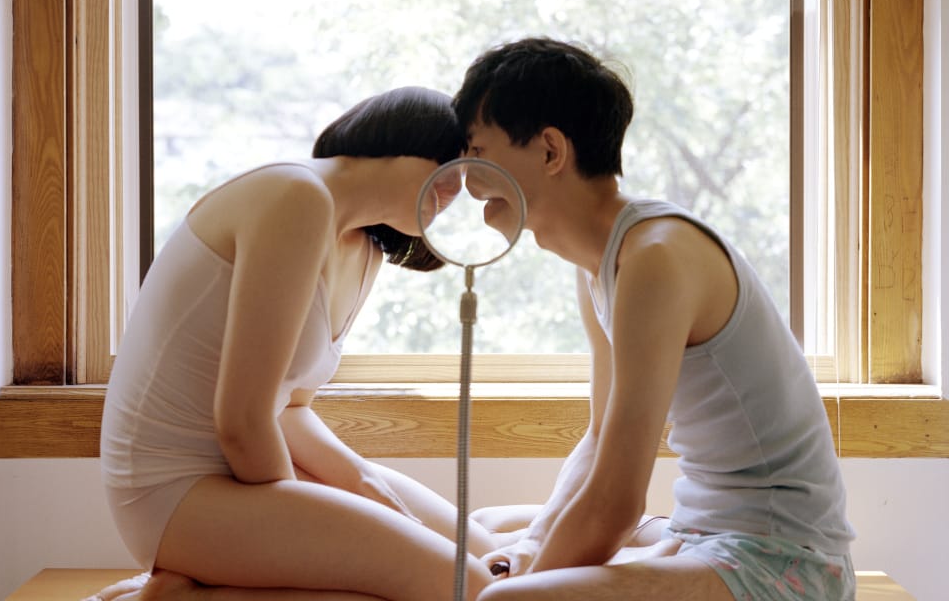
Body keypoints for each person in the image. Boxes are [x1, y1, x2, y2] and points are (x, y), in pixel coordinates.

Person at [451, 37, 857, 601]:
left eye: (477, 151)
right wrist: (535, 542)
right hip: (700, 532)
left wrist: (534, 574)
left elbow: (617, 504)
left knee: (503, 598)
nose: (468, 181)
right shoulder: (599, 262)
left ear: (550, 151)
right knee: (494, 526)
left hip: (782, 558)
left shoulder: (655, 258)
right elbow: (599, 436)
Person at [96, 86, 497, 601]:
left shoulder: (366, 251)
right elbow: (242, 422)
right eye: (452, 163)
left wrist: (363, 483)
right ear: (406, 141)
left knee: (488, 555)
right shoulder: (295, 194)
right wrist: (303, 523)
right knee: (471, 588)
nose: (459, 187)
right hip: (172, 492)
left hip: (237, 474)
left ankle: (191, 587)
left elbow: (291, 411)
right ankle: (188, 593)